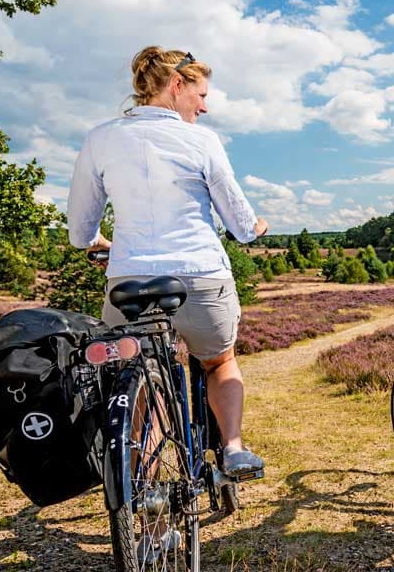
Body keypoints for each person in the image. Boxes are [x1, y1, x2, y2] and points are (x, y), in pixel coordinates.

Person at [67, 46, 268, 480]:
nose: (205, 106)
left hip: (128, 283)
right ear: (176, 85)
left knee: (139, 368)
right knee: (219, 362)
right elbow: (239, 222)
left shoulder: (100, 138)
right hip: (199, 278)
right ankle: (233, 449)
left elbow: (81, 232)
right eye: (201, 95)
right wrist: (256, 227)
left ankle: (141, 479)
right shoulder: (202, 141)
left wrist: (105, 244)